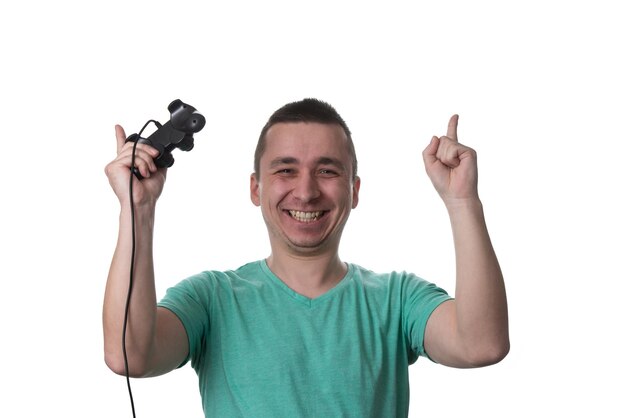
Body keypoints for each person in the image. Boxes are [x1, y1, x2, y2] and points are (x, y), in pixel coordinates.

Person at [103, 98, 509, 417]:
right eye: (285, 170)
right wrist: (137, 211)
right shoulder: (211, 298)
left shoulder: (397, 299)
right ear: (255, 189)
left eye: (328, 171)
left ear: (354, 190)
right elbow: (129, 355)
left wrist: (462, 202)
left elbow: (481, 344)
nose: (306, 191)